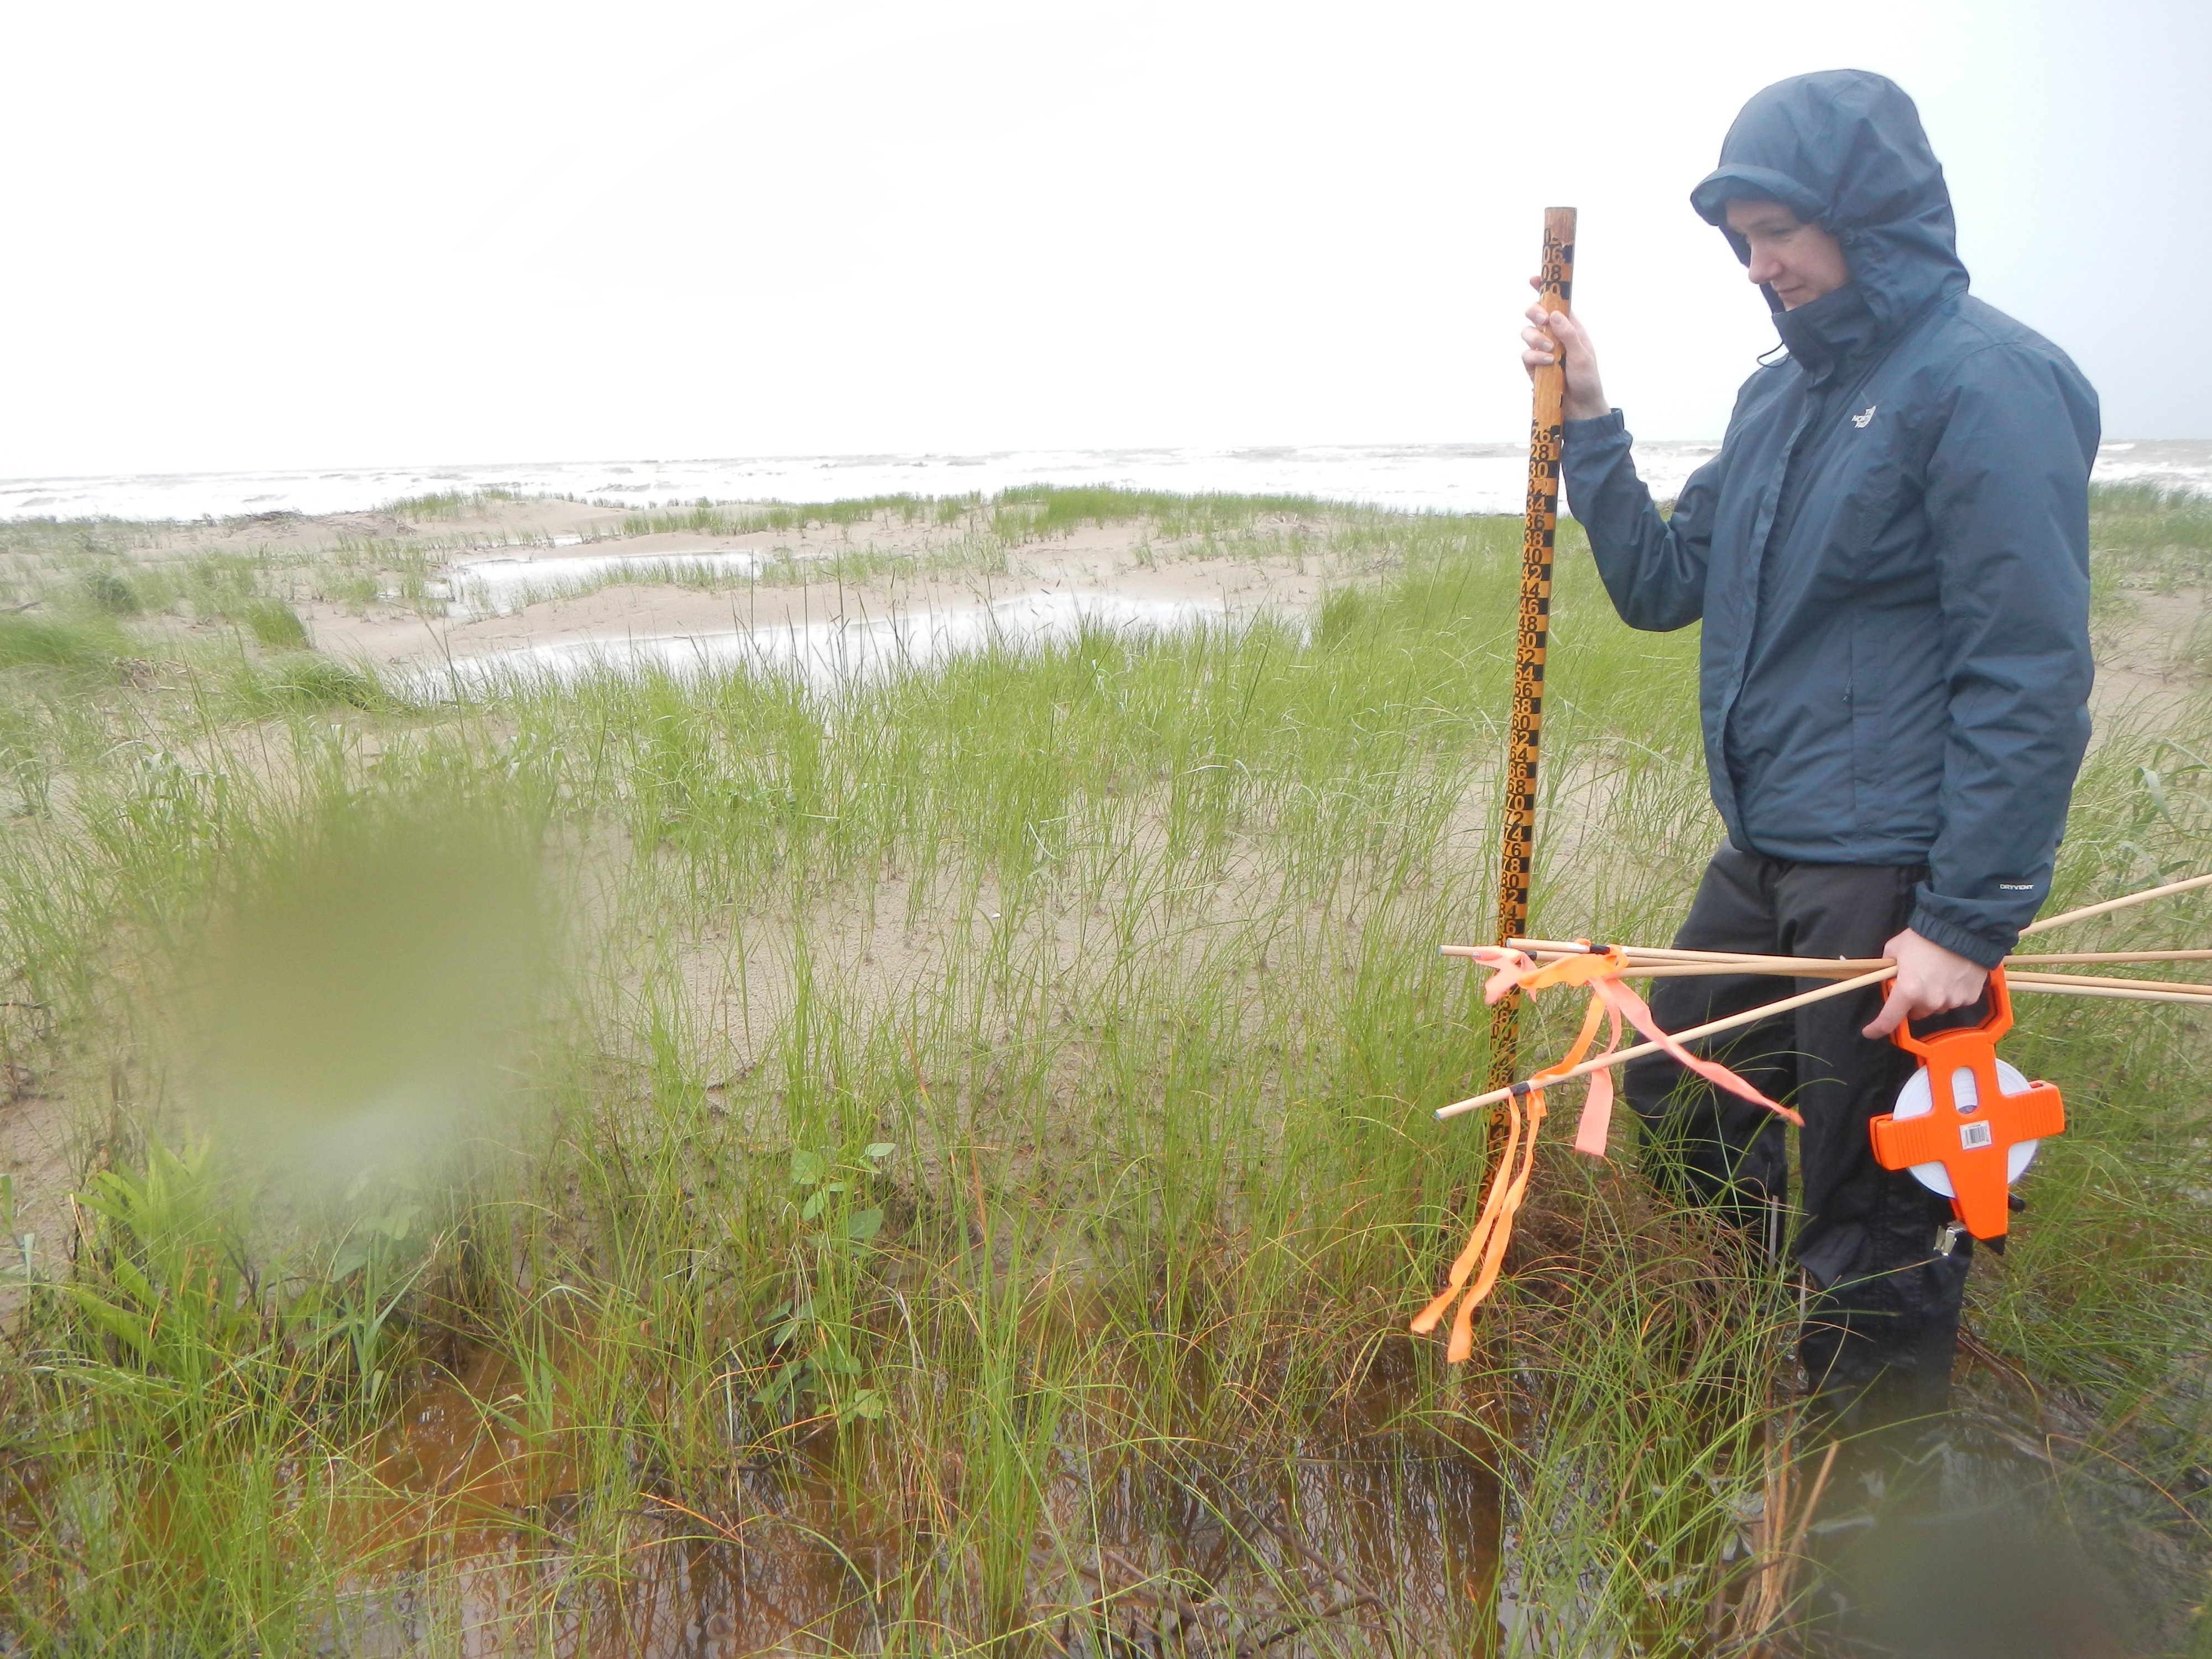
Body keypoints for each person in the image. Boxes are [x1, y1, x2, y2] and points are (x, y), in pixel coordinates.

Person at [1520, 69, 2098, 1430]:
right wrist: (1590, 420)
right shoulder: (1775, 399)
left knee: (1871, 1217)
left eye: (1778, 232)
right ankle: (1733, 1394)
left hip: (1890, 882)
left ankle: (1859, 1519)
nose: (1757, 265)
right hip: (1765, 854)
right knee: (1676, 1107)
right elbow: (1663, 584)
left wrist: (1962, 920)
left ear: (1868, 213)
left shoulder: (1987, 381)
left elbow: (2027, 667)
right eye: (1739, 244)